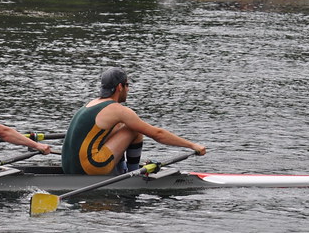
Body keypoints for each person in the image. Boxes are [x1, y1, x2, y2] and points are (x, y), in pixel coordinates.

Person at [62, 69, 206, 175]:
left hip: (68, 166)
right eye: (127, 85)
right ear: (120, 87)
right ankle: (133, 173)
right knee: (134, 130)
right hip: (91, 167)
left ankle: (121, 170)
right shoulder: (117, 110)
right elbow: (158, 134)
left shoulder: (91, 103)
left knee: (119, 126)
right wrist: (192, 145)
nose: (128, 89)